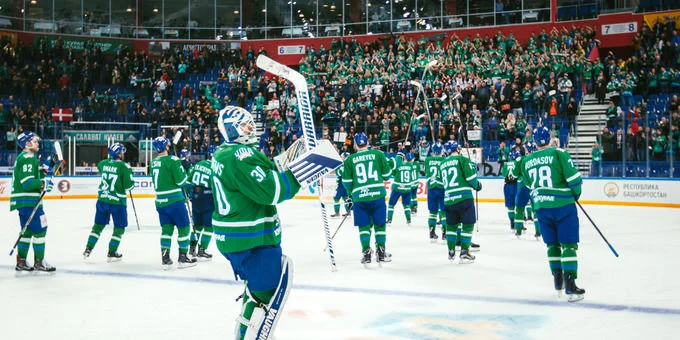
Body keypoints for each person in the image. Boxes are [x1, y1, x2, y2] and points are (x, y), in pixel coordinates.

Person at [211, 106, 337, 339]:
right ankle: (250, 332)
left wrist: (287, 159)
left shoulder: (227, 152)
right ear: (232, 129)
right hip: (250, 238)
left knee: (258, 292)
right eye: (245, 124)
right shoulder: (240, 156)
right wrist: (307, 169)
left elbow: (263, 170)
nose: (251, 128)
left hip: (238, 236)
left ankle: (250, 326)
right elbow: (271, 190)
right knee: (267, 290)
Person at [517, 126, 585, 302]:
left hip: (541, 208)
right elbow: (575, 180)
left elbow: (528, 185)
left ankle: (558, 282)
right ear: (550, 138)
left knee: (552, 245)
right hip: (563, 205)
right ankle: (570, 285)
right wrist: (575, 195)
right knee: (568, 245)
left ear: (534, 142)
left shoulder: (526, 161)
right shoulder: (559, 154)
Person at [341, 132, 393, 265]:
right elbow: (387, 175)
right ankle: (381, 252)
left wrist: (351, 195)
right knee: (380, 225)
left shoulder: (349, 159)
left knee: (364, 227)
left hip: (360, 197)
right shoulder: (378, 154)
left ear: (355, 144)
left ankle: (366, 253)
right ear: (367, 142)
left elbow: (346, 182)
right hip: (377, 196)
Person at [10, 131, 56, 272]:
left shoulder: (25, 158)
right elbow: (28, 182)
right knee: (41, 229)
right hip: (29, 201)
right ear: (27, 143)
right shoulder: (28, 158)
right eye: (35, 141)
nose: (38, 144)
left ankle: (21, 261)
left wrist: (49, 165)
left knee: (28, 232)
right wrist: (43, 184)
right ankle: (39, 262)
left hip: (23, 202)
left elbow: (36, 174)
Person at [150, 136, 197, 269]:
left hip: (160, 201)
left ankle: (165, 258)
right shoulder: (173, 160)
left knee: (166, 229)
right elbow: (181, 182)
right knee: (184, 228)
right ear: (166, 146)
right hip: (174, 200)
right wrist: (188, 178)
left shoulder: (153, 162)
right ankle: (183, 258)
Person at [83, 143, 134, 262]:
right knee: (119, 228)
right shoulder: (124, 167)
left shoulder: (102, 163)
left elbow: (103, 167)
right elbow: (129, 186)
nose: (123, 154)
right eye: (121, 152)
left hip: (102, 200)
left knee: (97, 227)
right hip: (117, 203)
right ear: (118, 153)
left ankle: (88, 249)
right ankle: (112, 252)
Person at [440, 140, 481, 263]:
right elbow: (471, 179)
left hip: (448, 199)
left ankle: (451, 251)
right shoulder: (462, 160)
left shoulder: (442, 164)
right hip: (464, 198)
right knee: (468, 225)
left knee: (451, 226)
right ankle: (464, 251)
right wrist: (477, 184)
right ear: (457, 149)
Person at [187, 145, 216, 259]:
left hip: (196, 197)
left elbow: (188, 180)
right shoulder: (215, 168)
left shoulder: (198, 164)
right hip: (208, 198)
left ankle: (192, 248)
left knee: (197, 225)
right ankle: (203, 249)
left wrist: (190, 194)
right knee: (209, 226)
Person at [424, 142, 445, 242]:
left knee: (432, 212)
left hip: (431, 187)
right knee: (444, 212)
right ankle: (445, 232)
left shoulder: (427, 160)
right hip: (442, 187)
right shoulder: (444, 159)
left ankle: (431, 232)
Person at [387, 152, 414, 226]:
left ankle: (389, 220)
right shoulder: (410, 166)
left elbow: (392, 173)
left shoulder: (397, 166)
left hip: (397, 187)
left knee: (391, 205)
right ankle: (409, 220)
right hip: (407, 188)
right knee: (407, 205)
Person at [502, 149, 520, 231]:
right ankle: (519, 224)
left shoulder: (505, 164)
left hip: (507, 186)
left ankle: (512, 223)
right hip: (516, 185)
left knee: (510, 206)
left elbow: (503, 174)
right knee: (519, 206)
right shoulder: (517, 163)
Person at [330, 152, 352, 218]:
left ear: (345, 157)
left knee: (336, 198)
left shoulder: (342, 165)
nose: (341, 157)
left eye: (342, 156)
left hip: (341, 184)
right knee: (346, 198)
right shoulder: (350, 164)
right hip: (347, 184)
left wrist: (336, 167)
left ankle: (337, 213)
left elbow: (339, 173)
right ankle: (348, 212)